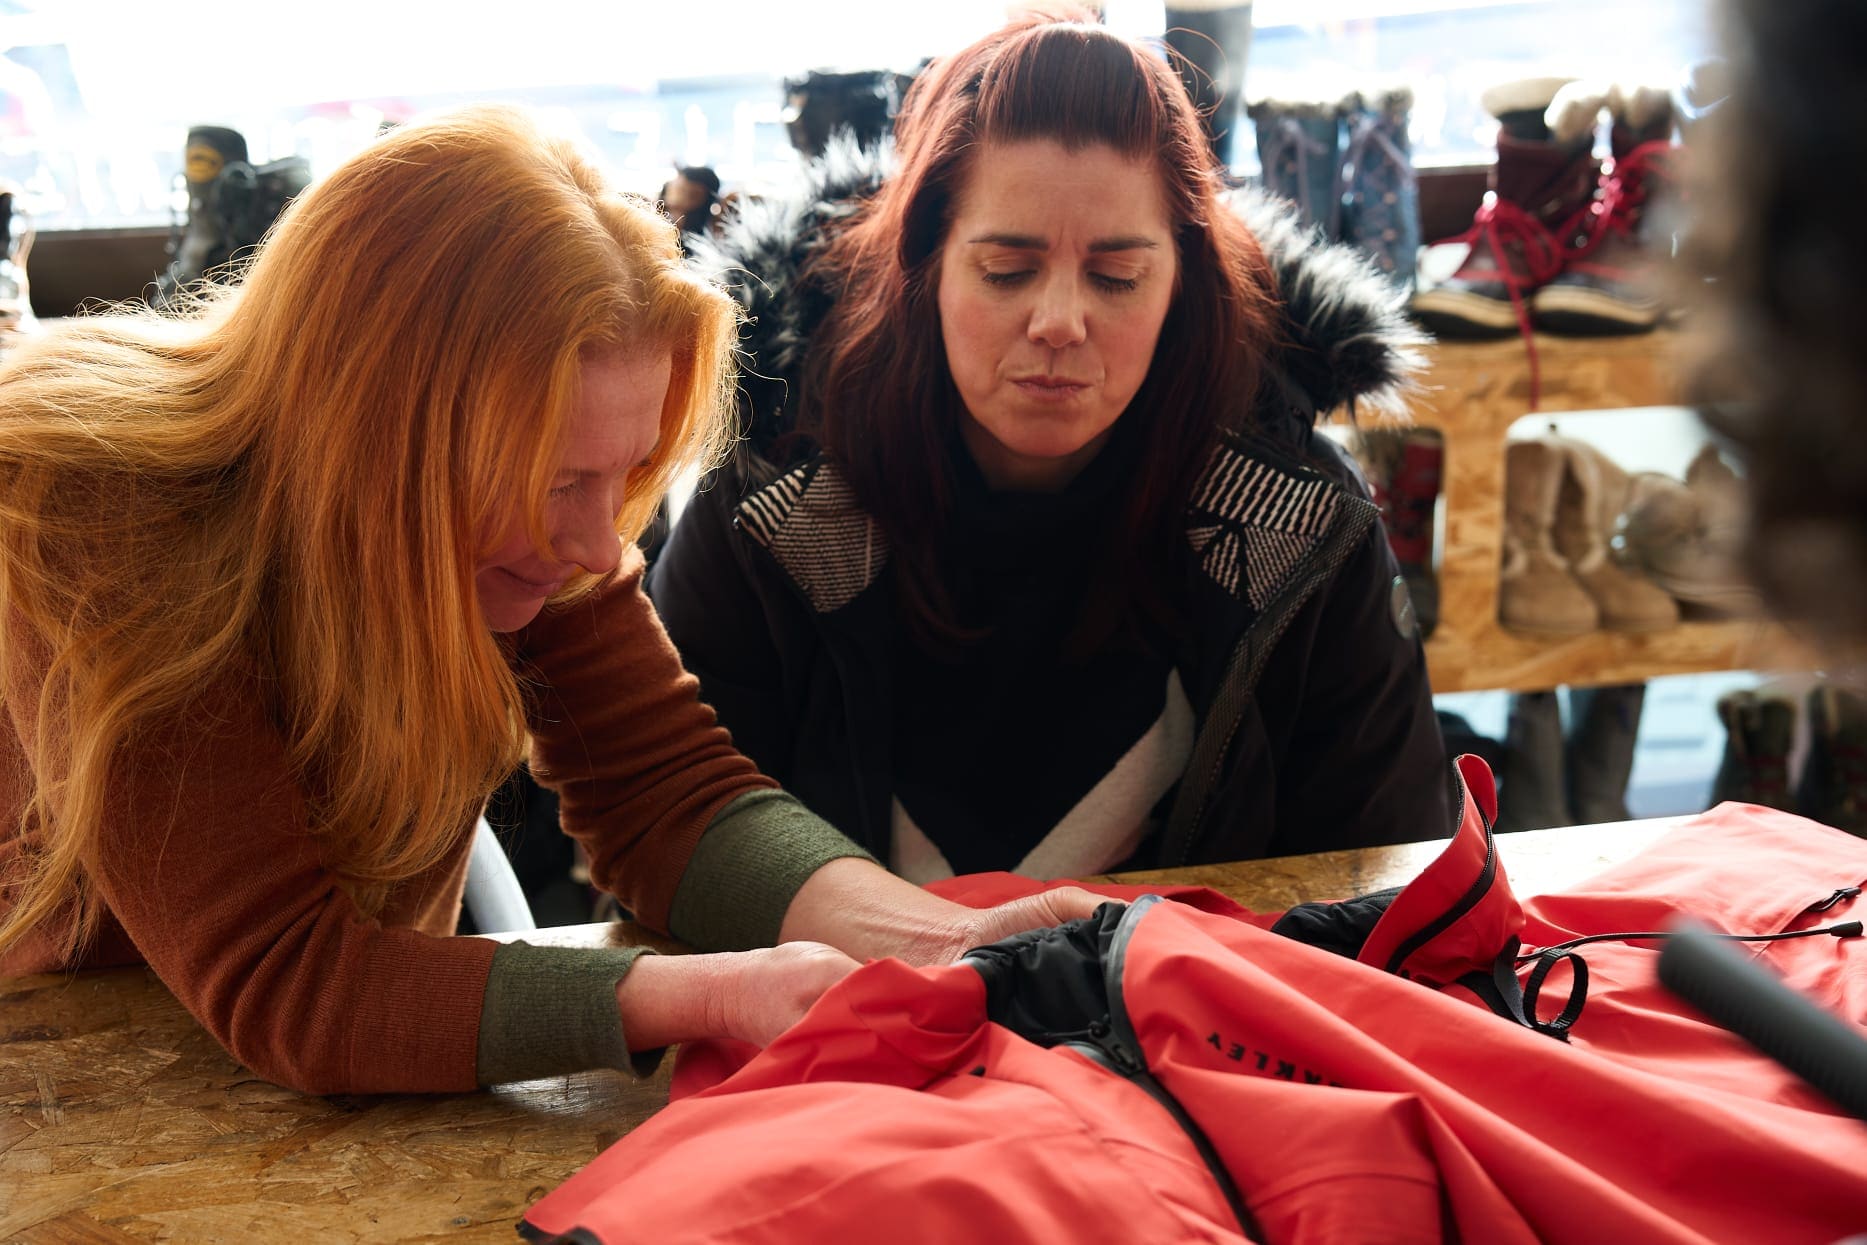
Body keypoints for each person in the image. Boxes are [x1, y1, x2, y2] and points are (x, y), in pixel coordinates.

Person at [0, 104, 1099, 1097]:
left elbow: (664, 793)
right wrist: (713, 993)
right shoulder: (92, 509)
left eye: (623, 477)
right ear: (379, 442)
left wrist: (934, 937)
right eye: (559, 484)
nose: (595, 545)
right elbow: (294, 981)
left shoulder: (524, 507)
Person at [647, 16, 1451, 886]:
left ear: (1181, 282)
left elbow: (1386, 876)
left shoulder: (1295, 523)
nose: (1060, 322)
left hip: (1207, 983)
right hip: (837, 982)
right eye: (1006, 269)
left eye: (1116, 277)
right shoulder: (770, 500)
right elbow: (671, 840)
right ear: (924, 264)